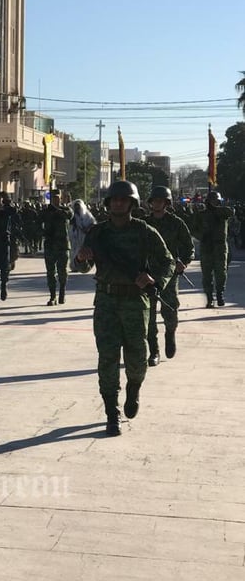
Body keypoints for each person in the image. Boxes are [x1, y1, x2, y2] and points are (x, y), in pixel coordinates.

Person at [75, 181, 174, 436]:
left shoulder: (144, 231)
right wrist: (81, 258)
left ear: (132, 203)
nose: (118, 203)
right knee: (107, 358)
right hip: (106, 302)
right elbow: (82, 268)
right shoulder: (97, 233)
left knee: (137, 358)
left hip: (135, 301)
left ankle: (133, 389)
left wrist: (156, 281)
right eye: (114, 199)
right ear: (108, 203)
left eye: (123, 199)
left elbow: (167, 262)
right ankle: (111, 411)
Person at [144, 186, 194, 364]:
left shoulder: (176, 223)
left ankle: (170, 334)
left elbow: (189, 248)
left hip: (169, 274)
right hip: (148, 275)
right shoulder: (143, 223)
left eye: (161, 201)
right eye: (154, 201)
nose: (157, 204)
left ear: (166, 203)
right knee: (148, 315)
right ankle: (154, 351)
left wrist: (184, 263)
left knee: (170, 311)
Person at [191, 190, 234, 308]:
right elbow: (194, 229)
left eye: (217, 200)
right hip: (206, 247)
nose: (215, 202)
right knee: (207, 275)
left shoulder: (222, 213)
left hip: (220, 247)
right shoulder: (201, 214)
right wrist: (201, 236)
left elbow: (231, 212)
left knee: (221, 272)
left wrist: (216, 209)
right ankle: (209, 298)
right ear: (208, 201)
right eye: (212, 200)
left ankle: (220, 293)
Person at [40, 189, 72, 305]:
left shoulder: (65, 210)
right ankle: (52, 296)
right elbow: (38, 221)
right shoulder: (45, 211)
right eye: (54, 198)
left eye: (57, 198)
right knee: (50, 272)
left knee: (62, 271)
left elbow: (69, 216)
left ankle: (62, 293)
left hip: (63, 245)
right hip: (50, 245)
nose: (56, 200)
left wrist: (58, 210)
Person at [69, 199, 96, 271]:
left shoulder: (87, 215)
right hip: (74, 236)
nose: (77, 208)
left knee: (81, 251)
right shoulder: (72, 215)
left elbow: (93, 224)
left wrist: (87, 229)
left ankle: (81, 265)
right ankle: (73, 266)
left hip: (83, 236)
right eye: (76, 206)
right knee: (73, 250)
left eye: (78, 206)